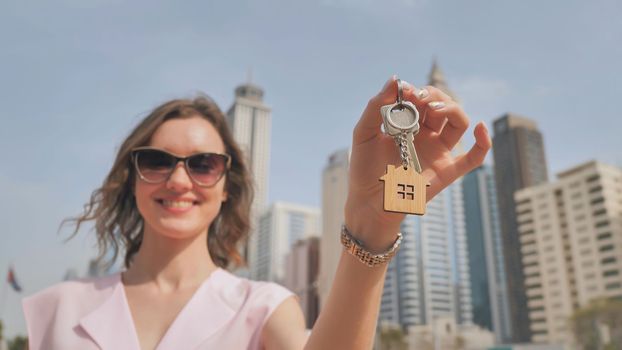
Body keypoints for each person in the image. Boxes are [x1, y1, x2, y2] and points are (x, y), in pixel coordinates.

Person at [22, 76, 491, 349]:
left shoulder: (265, 308)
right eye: (157, 161)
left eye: (203, 164)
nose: (179, 180)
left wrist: (374, 224)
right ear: (132, 176)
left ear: (228, 186)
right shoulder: (58, 307)